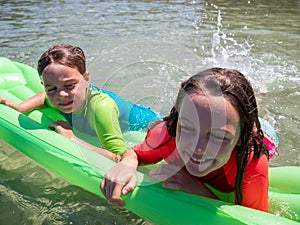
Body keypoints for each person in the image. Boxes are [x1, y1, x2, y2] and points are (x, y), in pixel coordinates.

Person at [100, 68, 278, 212]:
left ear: (239, 139)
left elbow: (254, 218)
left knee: (258, 117)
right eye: (187, 128)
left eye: (218, 136)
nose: (197, 147)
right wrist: (126, 165)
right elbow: (134, 153)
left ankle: (261, 99)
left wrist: (199, 191)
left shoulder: (252, 162)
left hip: (262, 133)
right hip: (233, 121)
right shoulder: (168, 134)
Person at [0, 44, 161, 157]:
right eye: (52, 88)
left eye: (69, 85)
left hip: (150, 126)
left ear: (86, 78)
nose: (61, 95)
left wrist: (73, 139)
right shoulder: (62, 97)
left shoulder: (100, 108)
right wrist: (20, 108)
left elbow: (121, 157)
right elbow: (44, 98)